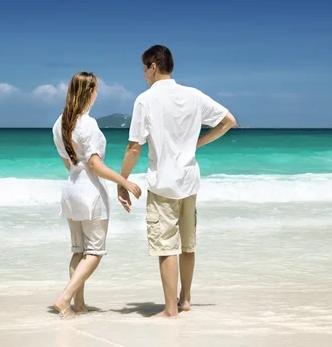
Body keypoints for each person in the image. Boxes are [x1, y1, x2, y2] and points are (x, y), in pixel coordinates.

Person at [117, 45, 236, 318]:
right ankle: (185, 300)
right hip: (189, 180)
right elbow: (228, 120)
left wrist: (122, 180)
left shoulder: (145, 100)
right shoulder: (193, 95)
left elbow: (134, 147)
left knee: (166, 246)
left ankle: (170, 309)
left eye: (144, 69)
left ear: (153, 66)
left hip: (163, 184)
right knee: (187, 244)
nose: (143, 75)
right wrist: (197, 144)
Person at [52, 71, 142, 319]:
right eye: (96, 89)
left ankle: (78, 307)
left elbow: (68, 164)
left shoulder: (58, 123)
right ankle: (64, 299)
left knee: (78, 250)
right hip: (90, 192)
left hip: (71, 190)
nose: (98, 93)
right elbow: (94, 165)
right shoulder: (88, 123)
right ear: (88, 93)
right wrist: (125, 181)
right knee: (94, 252)